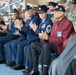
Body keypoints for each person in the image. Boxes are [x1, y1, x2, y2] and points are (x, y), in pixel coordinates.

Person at [27, 5, 74, 75]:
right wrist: (44, 37)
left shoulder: (68, 23)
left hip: (60, 47)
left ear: (62, 13)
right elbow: (51, 37)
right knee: (34, 45)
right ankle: (35, 69)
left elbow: (63, 39)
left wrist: (48, 38)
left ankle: (45, 72)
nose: (54, 13)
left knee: (46, 47)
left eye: (56, 11)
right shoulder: (55, 23)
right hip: (52, 44)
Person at [4, 5, 40, 70]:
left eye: (29, 11)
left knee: (21, 46)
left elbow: (32, 32)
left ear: (31, 11)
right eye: (26, 12)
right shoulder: (29, 20)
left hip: (33, 39)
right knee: (16, 45)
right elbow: (26, 32)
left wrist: (22, 27)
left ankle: (22, 64)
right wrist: (20, 30)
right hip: (28, 38)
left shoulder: (35, 19)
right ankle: (17, 62)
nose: (27, 13)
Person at [23, 5, 53, 74]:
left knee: (34, 46)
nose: (41, 14)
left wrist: (36, 30)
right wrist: (37, 31)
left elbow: (45, 36)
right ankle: (35, 69)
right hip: (41, 43)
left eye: (42, 13)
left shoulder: (48, 22)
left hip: (47, 44)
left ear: (46, 13)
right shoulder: (42, 22)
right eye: (39, 13)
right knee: (33, 45)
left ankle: (40, 70)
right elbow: (39, 34)